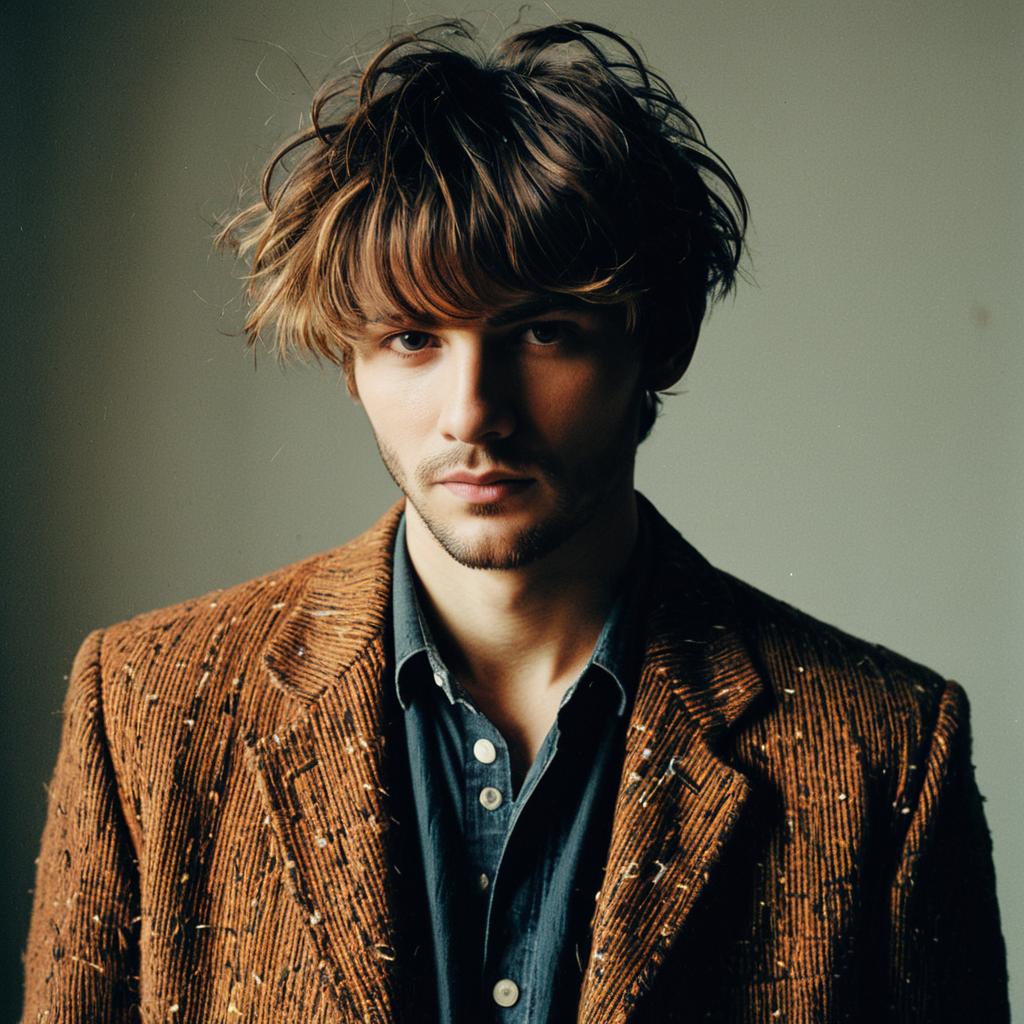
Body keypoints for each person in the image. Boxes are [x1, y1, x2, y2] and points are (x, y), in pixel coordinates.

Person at [20, 18, 1008, 1024]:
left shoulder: (883, 749)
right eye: (412, 337)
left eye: (542, 331)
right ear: (350, 361)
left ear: (656, 341)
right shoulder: (145, 706)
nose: (473, 413)